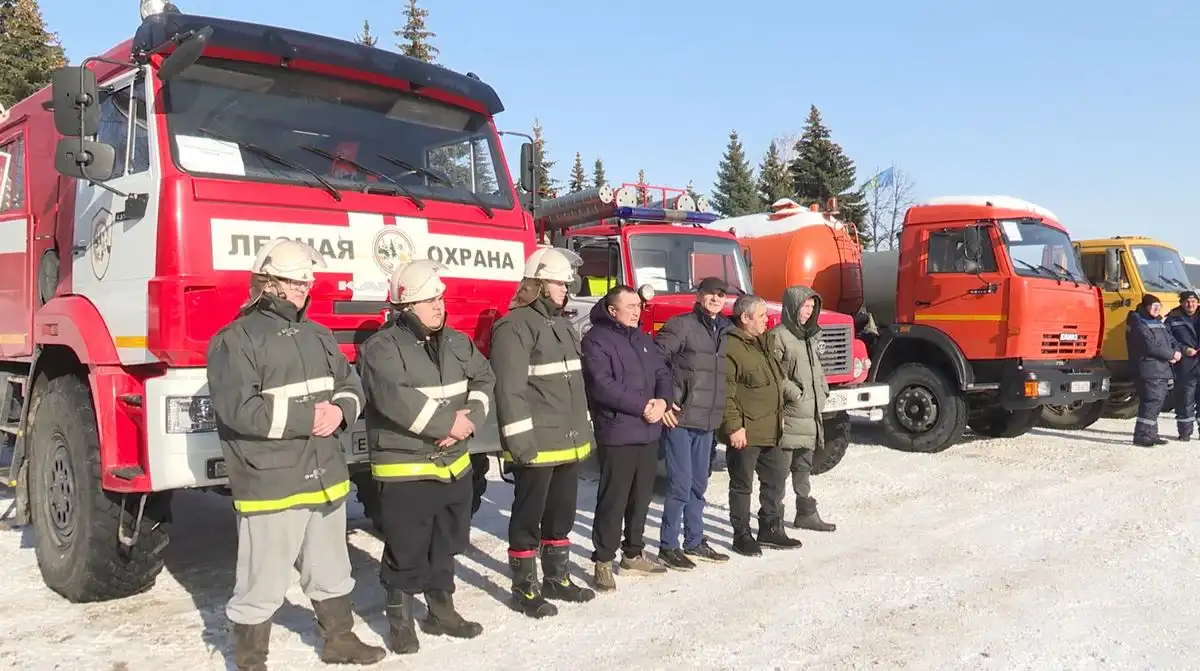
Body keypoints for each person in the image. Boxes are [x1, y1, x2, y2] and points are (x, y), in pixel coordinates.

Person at [205, 239, 385, 670]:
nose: (305, 286)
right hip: (271, 479)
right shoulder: (235, 340)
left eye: (307, 279)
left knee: (330, 566)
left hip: (325, 473)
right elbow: (240, 410)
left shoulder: (318, 335)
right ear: (267, 283)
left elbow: (352, 385)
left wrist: (340, 411)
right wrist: (311, 416)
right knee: (261, 578)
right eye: (294, 279)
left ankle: (339, 640)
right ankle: (250, 660)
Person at [358, 259, 494, 654]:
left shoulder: (456, 341)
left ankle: (441, 612)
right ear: (405, 306)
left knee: (445, 542)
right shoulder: (381, 349)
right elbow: (393, 397)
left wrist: (473, 418)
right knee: (407, 545)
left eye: (439, 297)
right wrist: (447, 425)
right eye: (427, 300)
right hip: (407, 468)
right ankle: (399, 619)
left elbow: (484, 378)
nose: (438, 306)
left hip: (454, 465)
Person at [490, 246, 597, 618]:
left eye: (566, 283)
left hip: (567, 442)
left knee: (561, 514)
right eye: (556, 282)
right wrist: (519, 442)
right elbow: (510, 390)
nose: (564, 289)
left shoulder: (563, 325)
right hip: (536, 444)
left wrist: (584, 432)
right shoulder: (513, 326)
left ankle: (556, 577)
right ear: (536, 284)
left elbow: (573, 385)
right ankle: (524, 586)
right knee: (527, 517)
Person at [581, 285, 673, 591]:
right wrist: (642, 405)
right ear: (612, 310)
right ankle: (603, 560)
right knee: (614, 499)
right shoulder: (596, 340)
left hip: (648, 430)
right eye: (629, 306)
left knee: (641, 497)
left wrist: (662, 401)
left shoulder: (643, 339)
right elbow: (602, 385)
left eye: (638, 306)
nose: (636, 311)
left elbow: (663, 373)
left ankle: (633, 552)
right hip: (618, 431)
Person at [653, 277, 733, 570]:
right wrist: (665, 397)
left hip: (708, 418)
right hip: (681, 417)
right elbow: (655, 358)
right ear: (699, 296)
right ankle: (668, 546)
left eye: (720, 294)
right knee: (680, 484)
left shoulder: (725, 330)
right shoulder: (681, 325)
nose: (715, 298)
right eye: (710, 293)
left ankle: (694, 540)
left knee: (699, 484)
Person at [721, 293, 803, 556]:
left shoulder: (763, 343)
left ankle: (771, 527)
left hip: (772, 428)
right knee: (742, 485)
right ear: (745, 318)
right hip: (746, 431)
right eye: (761, 316)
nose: (767, 320)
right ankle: (741, 534)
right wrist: (734, 426)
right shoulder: (731, 347)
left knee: (776, 479)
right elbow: (726, 391)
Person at [770, 286, 837, 532]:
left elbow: (817, 371)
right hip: (788, 416)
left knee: (803, 468)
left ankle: (806, 513)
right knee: (778, 473)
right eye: (804, 306)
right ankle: (773, 520)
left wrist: (823, 391)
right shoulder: (779, 336)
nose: (808, 312)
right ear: (791, 307)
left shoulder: (809, 336)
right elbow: (773, 374)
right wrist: (794, 394)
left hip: (810, 415)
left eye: (811, 307)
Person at [1126, 293, 1181, 446]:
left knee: (1156, 402)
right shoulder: (1139, 323)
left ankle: (1151, 434)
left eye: (1158, 307)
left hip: (1160, 368)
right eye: (1154, 307)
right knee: (1151, 401)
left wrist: (1176, 351)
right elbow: (1149, 346)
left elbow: (1171, 340)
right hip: (1148, 368)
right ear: (1146, 307)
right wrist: (1170, 355)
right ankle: (1142, 435)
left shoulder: (1158, 322)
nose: (1157, 310)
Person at [1166, 290, 1200, 441]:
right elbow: (1168, 339)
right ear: (1181, 303)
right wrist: (1183, 349)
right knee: (1185, 399)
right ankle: (1185, 433)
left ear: (1198, 302)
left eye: (1193, 301)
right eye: (1186, 301)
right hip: (1185, 364)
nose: (1190, 304)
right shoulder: (1173, 318)